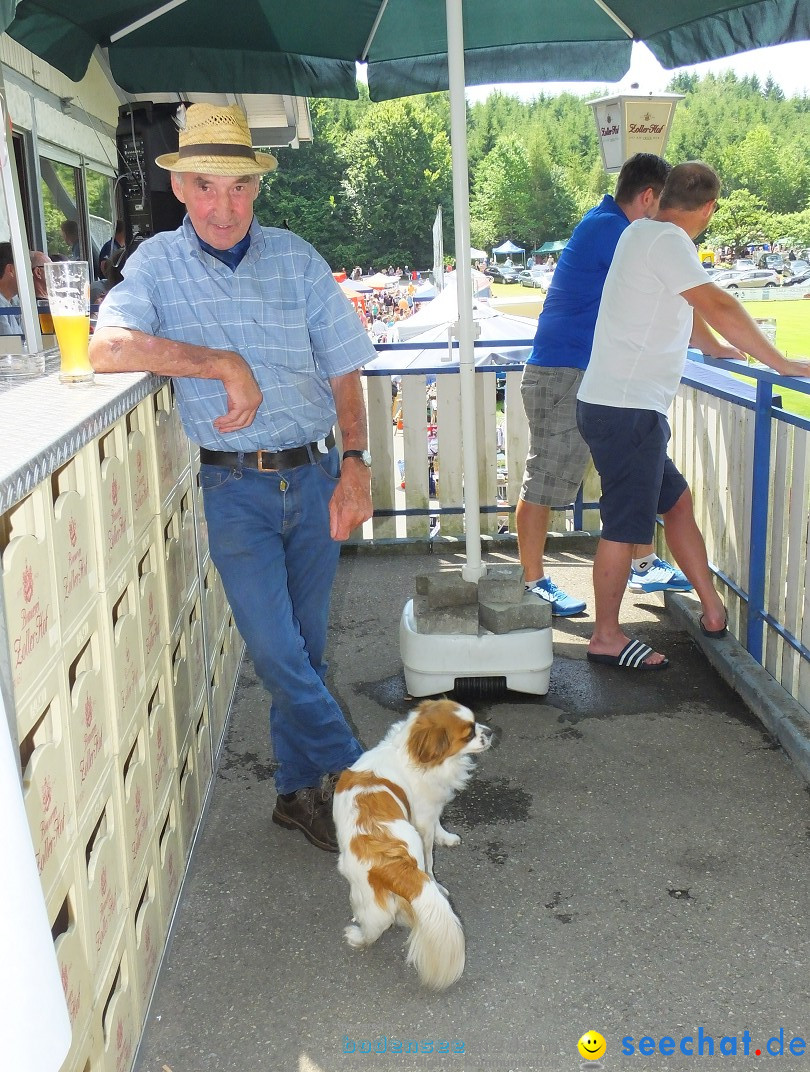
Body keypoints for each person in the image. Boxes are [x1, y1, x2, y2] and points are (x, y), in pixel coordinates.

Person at [89, 103, 376, 852]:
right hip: (235, 490)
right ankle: (366, 786)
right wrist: (220, 362)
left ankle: (297, 795)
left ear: (258, 188)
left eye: (239, 188)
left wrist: (354, 463)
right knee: (277, 652)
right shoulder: (154, 263)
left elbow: (345, 366)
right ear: (180, 186)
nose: (225, 206)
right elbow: (107, 348)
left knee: (306, 654)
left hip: (313, 477)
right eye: (207, 187)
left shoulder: (296, 257)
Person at [577, 161, 810, 670]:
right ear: (707, 208)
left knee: (676, 503)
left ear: (660, 196)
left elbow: (677, 307)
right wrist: (782, 363)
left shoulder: (639, 232)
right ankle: (606, 636)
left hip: (615, 405)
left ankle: (711, 609)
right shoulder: (668, 241)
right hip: (628, 410)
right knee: (621, 527)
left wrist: (714, 348)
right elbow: (717, 303)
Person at [517, 153, 686, 617]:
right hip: (564, 373)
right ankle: (533, 582)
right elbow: (667, 288)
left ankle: (644, 560)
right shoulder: (616, 232)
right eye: (665, 206)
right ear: (648, 197)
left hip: (584, 375)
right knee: (545, 482)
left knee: (630, 470)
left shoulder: (606, 222)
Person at [0, 242, 21, 336]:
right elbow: (11, 349)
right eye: (26, 269)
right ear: (11, 270)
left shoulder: (15, 300)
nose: (31, 274)